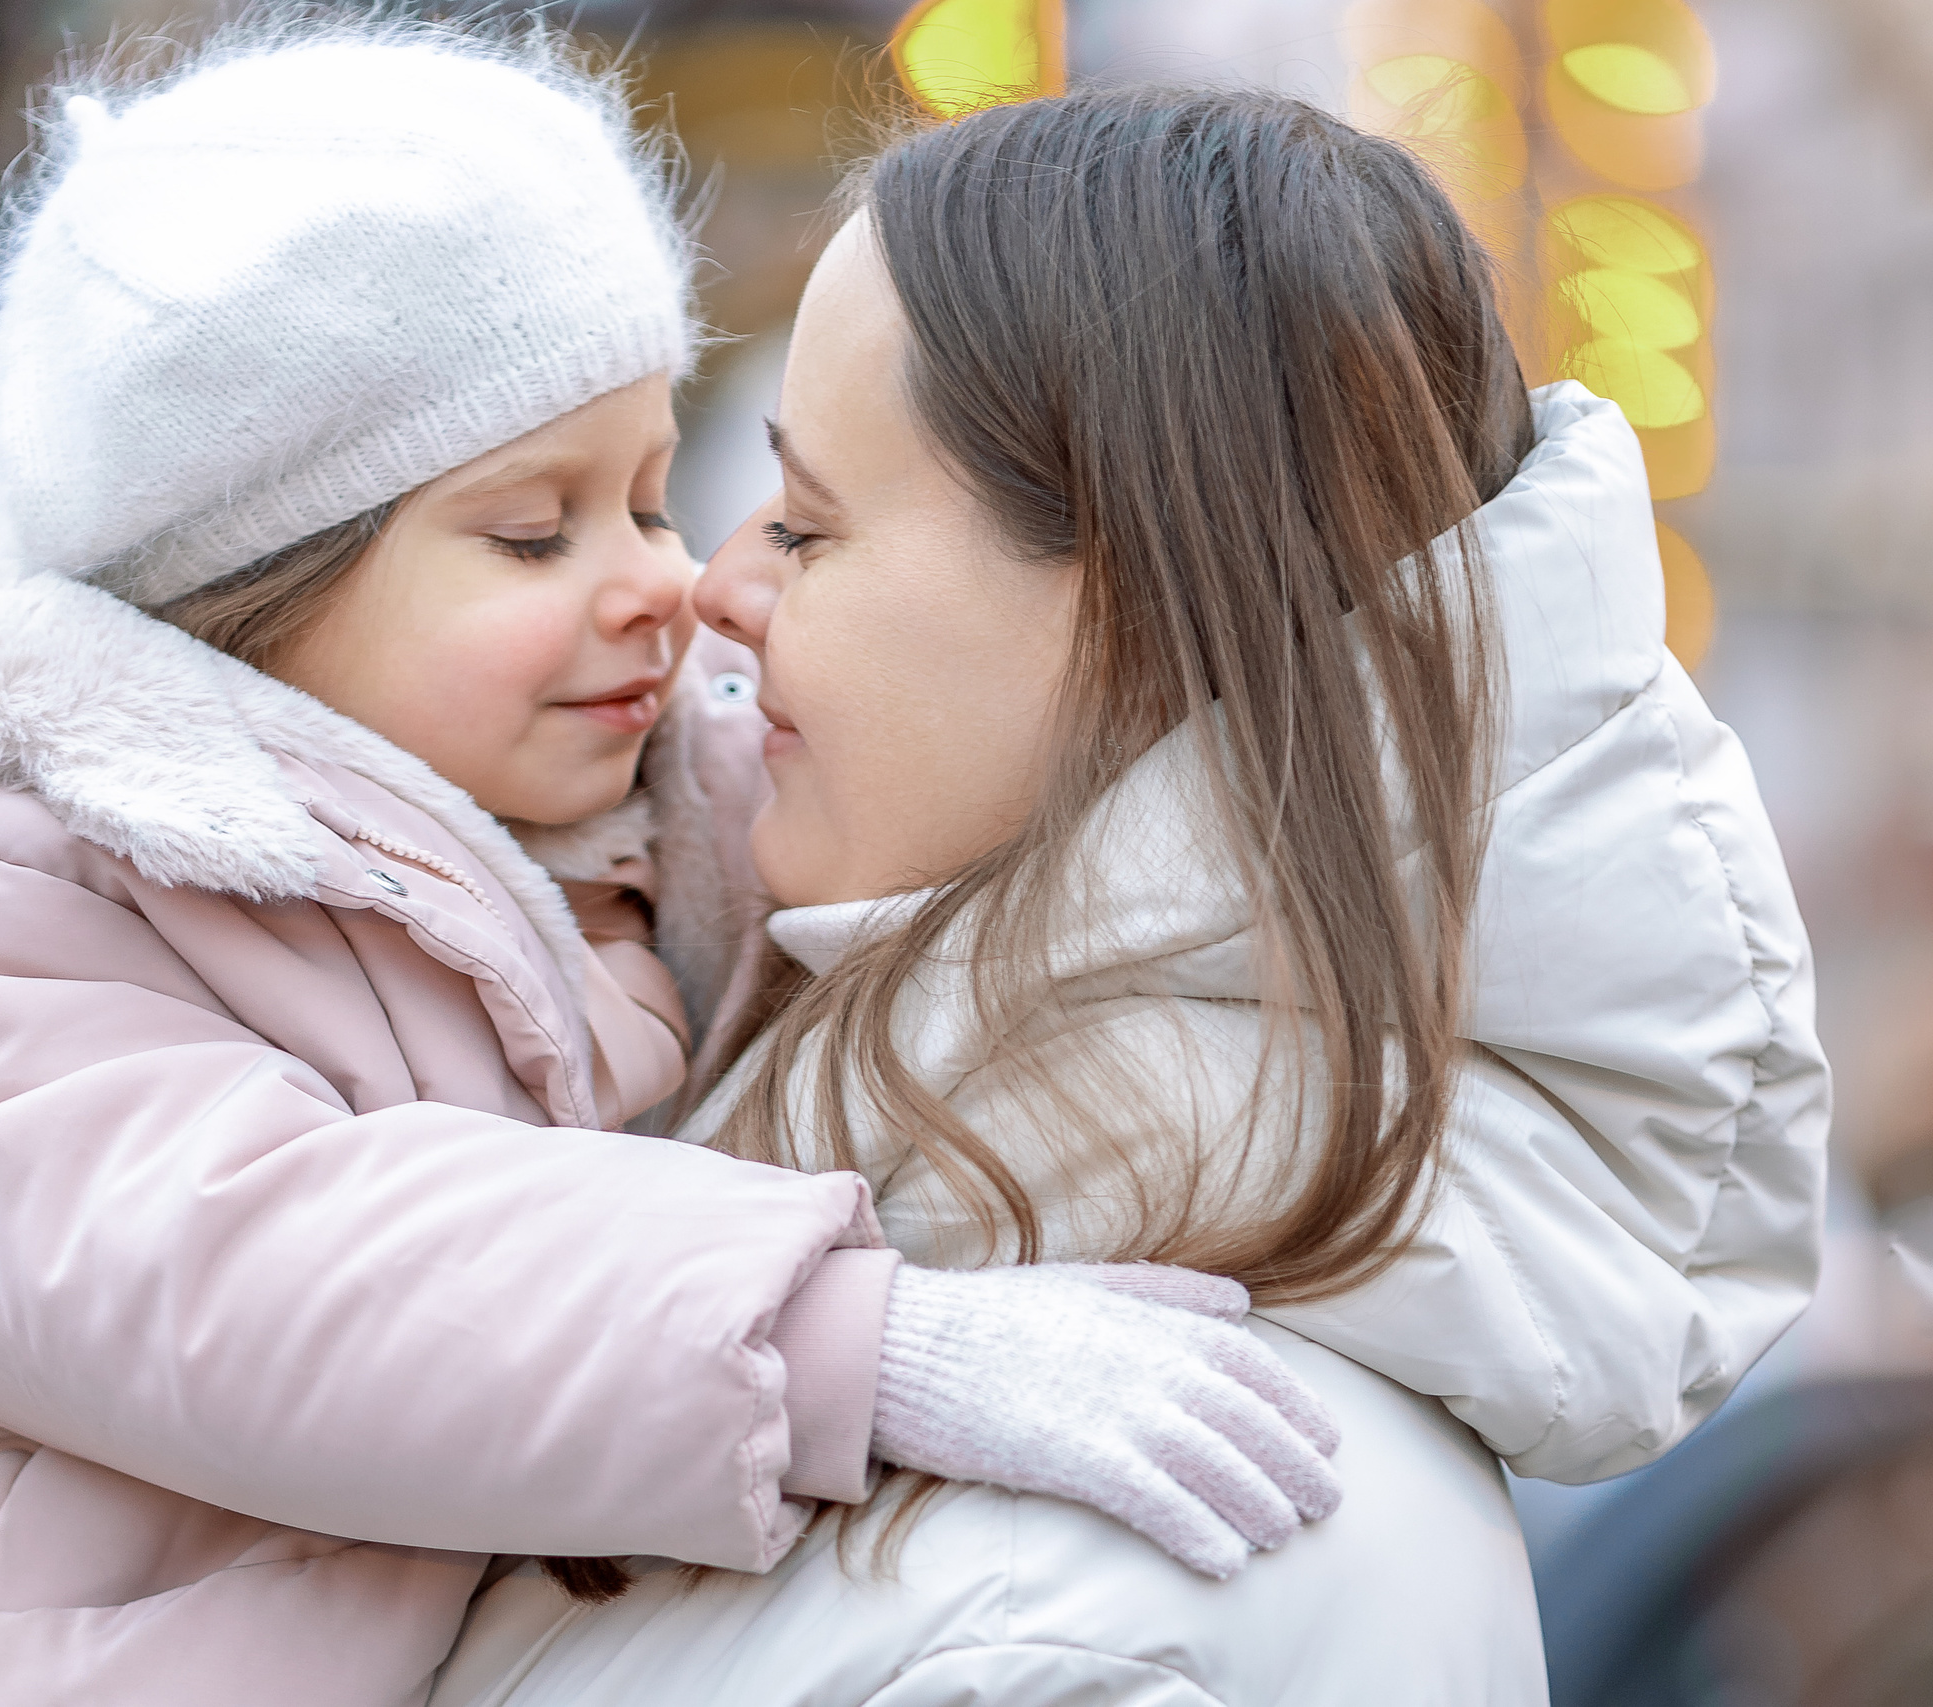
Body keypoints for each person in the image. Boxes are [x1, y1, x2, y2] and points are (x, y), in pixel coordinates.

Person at [0, 22, 1337, 1704]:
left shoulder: (599, 840)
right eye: (531, 528)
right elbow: (270, 1281)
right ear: (239, 598)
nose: (662, 572)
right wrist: (860, 1350)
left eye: (649, 492)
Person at [430, 85, 1827, 1705]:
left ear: (1137, 611)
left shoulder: (1109, 1581)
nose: (718, 590)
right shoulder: (990, 1294)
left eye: (809, 523)